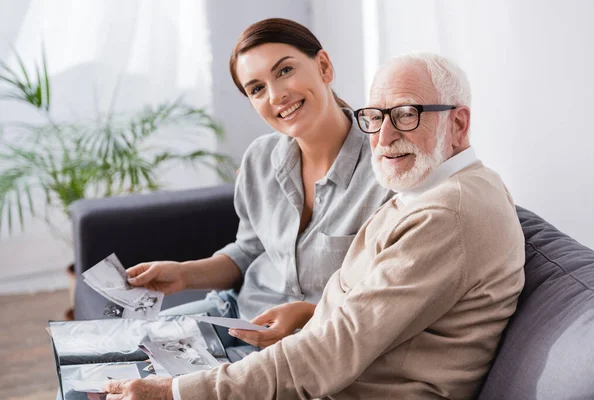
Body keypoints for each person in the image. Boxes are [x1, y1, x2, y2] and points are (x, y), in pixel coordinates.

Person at [104, 52, 526, 399]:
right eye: (376, 117)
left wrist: (176, 393)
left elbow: (333, 348)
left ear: (458, 123)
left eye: (406, 114)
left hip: (337, 383)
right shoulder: (425, 189)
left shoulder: (445, 212)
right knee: (105, 366)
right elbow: (342, 322)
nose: (383, 136)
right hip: (305, 362)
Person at [124, 17, 392, 357]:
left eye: (284, 71)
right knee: (91, 370)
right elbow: (249, 252)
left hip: (310, 347)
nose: (277, 95)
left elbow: (384, 296)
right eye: (257, 88)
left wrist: (308, 315)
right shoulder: (259, 158)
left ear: (323, 66)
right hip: (235, 315)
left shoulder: (385, 166)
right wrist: (183, 275)